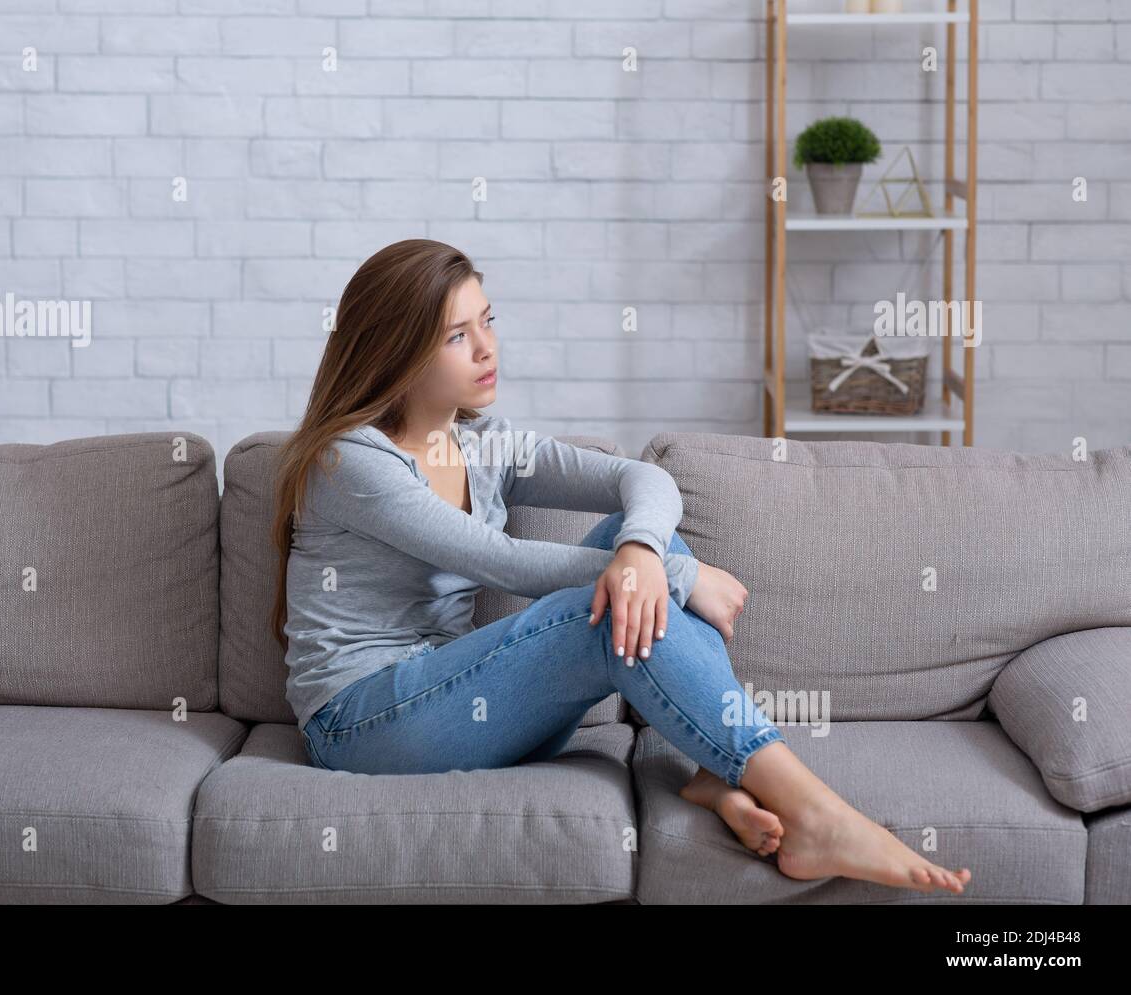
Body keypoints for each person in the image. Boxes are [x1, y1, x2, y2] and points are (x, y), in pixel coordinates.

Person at [269, 238, 971, 896]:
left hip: (461, 710)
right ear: (396, 353)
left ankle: (714, 772)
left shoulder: (481, 440)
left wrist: (643, 555)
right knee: (609, 604)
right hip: (362, 722)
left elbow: (644, 481)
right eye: (457, 336)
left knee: (646, 543)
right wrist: (677, 579)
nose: (487, 348)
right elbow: (499, 559)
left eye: (487, 321)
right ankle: (814, 812)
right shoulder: (350, 460)